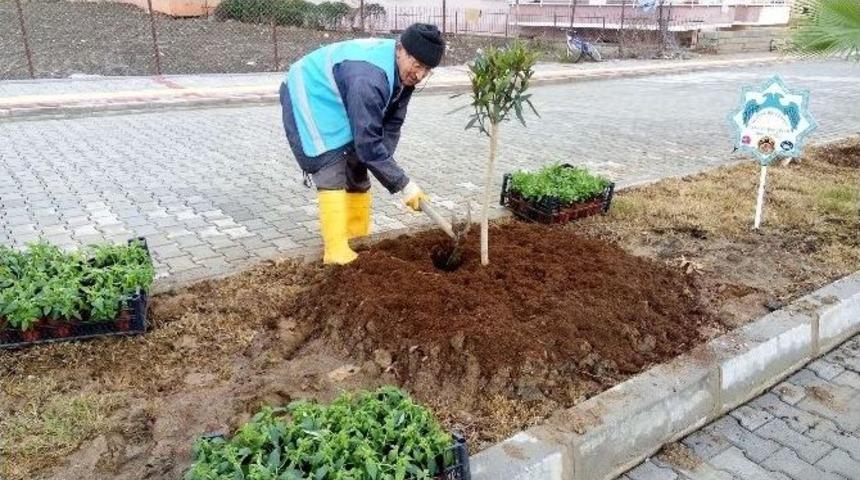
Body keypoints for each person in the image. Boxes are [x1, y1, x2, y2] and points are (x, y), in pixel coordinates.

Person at [279, 23, 445, 265]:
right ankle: (335, 251)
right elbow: (368, 143)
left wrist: (384, 166)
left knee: (358, 164)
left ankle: (356, 238)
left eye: (427, 69)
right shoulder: (368, 78)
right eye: (417, 65)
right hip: (308, 91)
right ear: (400, 49)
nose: (419, 75)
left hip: (342, 94)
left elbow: (390, 125)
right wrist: (403, 184)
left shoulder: (403, 74)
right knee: (331, 164)